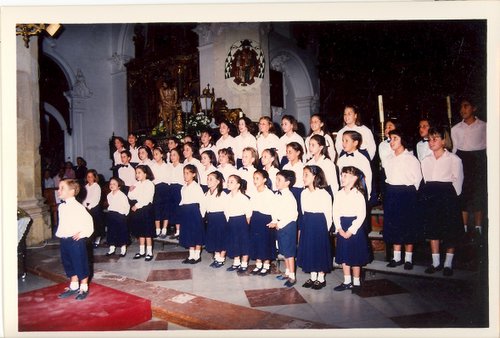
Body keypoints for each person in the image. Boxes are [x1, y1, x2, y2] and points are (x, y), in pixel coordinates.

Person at [420, 126, 464, 276]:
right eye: (430, 139)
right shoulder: (426, 160)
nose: (431, 142)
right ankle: (436, 262)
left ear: (444, 141)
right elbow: (426, 179)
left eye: (435, 139)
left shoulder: (454, 159)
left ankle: (448, 263)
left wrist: (451, 199)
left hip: (448, 196)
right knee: (433, 229)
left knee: (450, 230)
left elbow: (458, 182)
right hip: (432, 196)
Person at [383, 129, 422, 270]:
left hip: (407, 193)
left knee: (407, 225)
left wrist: (409, 194)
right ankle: (396, 257)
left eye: (395, 138)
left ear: (402, 140)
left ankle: (408, 259)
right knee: (394, 225)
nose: (391, 142)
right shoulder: (389, 159)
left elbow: (417, 180)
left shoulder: (411, 159)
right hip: (393, 192)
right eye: (390, 139)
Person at [451, 98, 487, 236]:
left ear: (474, 108)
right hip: (462, 160)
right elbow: (454, 150)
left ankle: (478, 228)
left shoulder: (484, 126)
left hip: (478, 160)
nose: (462, 110)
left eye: (466, 106)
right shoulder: (455, 129)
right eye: (461, 107)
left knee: (478, 193)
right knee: (463, 193)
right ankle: (463, 227)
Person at [332, 166, 370, 292]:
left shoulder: (358, 194)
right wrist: (339, 228)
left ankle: (357, 281)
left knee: (355, 256)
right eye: (341, 175)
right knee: (344, 255)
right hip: (342, 225)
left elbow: (361, 215)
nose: (342, 178)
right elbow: (335, 212)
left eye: (345, 176)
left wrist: (351, 230)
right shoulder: (338, 194)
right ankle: (347, 281)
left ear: (354, 178)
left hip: (355, 228)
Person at [55, 179, 94, 301]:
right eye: (59, 188)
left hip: (76, 241)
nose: (58, 190)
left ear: (72, 191)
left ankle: (83, 287)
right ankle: (73, 285)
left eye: (62, 188)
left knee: (80, 263)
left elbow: (89, 223)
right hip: (65, 240)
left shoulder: (78, 207)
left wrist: (82, 233)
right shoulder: (62, 207)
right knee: (69, 263)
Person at [297, 165, 333, 290]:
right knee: (309, 249)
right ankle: (312, 277)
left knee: (319, 250)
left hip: (319, 225)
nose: (303, 177)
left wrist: (324, 231)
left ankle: (321, 278)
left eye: (306, 174)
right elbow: (303, 211)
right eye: (303, 174)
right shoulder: (303, 193)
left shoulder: (324, 194)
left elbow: (328, 215)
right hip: (308, 223)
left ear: (315, 177)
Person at [267, 170, 298, 287]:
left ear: (287, 182)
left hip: (288, 226)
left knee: (289, 253)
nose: (276, 182)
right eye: (276, 179)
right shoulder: (277, 194)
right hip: (280, 225)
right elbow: (275, 210)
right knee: (284, 251)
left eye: (279, 180)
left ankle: (292, 276)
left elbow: (292, 215)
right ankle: (287, 272)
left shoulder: (289, 197)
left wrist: (279, 224)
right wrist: (274, 221)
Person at [248, 170, 277, 276]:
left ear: (264, 180)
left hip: (265, 220)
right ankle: (258, 264)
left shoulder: (269, 193)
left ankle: (266, 265)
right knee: (257, 242)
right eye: (254, 178)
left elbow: (274, 208)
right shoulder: (253, 192)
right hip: (255, 219)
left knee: (265, 243)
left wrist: (274, 221)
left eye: (257, 178)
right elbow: (250, 206)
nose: (255, 181)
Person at [224, 174, 252, 273]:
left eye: (231, 182)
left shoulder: (243, 198)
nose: (228, 183)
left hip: (241, 222)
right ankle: (236, 262)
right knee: (234, 242)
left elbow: (248, 213)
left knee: (243, 243)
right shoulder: (227, 197)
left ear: (238, 185)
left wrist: (246, 225)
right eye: (228, 181)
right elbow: (226, 211)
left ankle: (244, 264)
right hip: (231, 221)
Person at [128, 165, 156, 262]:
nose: (137, 174)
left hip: (146, 209)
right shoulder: (137, 184)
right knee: (141, 232)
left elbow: (147, 199)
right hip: (139, 210)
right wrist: (130, 191)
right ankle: (141, 251)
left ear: (145, 174)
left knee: (147, 232)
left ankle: (149, 252)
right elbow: (132, 197)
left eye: (139, 172)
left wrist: (137, 206)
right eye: (136, 173)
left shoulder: (149, 184)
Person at [179, 164, 206, 264]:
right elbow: (183, 200)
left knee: (196, 234)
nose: (185, 175)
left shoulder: (196, 187)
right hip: (186, 212)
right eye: (184, 173)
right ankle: (191, 255)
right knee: (189, 234)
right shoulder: (183, 187)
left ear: (193, 174)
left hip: (194, 212)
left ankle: (197, 256)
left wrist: (202, 216)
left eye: (187, 173)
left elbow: (202, 202)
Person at [203, 171, 228, 268]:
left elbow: (227, 209)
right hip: (211, 218)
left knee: (221, 239)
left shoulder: (222, 194)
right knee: (214, 238)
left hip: (220, 219)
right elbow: (204, 207)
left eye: (211, 179)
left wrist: (227, 222)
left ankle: (221, 259)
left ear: (218, 182)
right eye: (207, 179)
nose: (208, 181)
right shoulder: (207, 194)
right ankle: (217, 257)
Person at [336, 131, 372, 198]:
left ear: (355, 143)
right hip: (344, 193)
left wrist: (367, 196)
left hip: (358, 193)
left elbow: (368, 178)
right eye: (343, 141)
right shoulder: (341, 159)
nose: (343, 144)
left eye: (346, 141)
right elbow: (339, 177)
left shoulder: (362, 159)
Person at [105, 177, 130, 257]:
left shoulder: (122, 195)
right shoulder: (109, 195)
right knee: (111, 232)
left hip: (120, 216)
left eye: (114, 184)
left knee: (121, 233)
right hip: (111, 215)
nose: (112, 185)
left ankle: (123, 250)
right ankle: (112, 249)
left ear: (119, 186)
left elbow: (127, 206)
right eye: (110, 184)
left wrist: (123, 215)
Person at [150, 147, 170, 238]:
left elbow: (169, 178)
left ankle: (164, 229)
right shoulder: (152, 166)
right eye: (154, 154)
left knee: (166, 208)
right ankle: (157, 229)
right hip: (156, 188)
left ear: (162, 155)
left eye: (157, 154)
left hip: (165, 188)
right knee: (157, 208)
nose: (155, 156)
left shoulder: (167, 166)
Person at [82, 169, 104, 248]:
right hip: (86, 207)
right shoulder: (86, 186)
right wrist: (85, 205)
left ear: (94, 177)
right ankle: (89, 239)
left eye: (91, 177)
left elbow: (96, 199)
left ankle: (97, 239)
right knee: (88, 224)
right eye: (88, 177)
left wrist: (89, 207)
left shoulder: (96, 186)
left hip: (94, 207)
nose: (89, 178)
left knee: (96, 224)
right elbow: (83, 197)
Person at [167, 147, 185, 239]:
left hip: (179, 189)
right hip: (171, 189)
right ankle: (177, 231)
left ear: (179, 156)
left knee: (179, 210)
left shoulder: (182, 166)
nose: (172, 157)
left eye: (174, 155)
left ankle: (181, 232)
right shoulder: (169, 167)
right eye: (171, 155)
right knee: (173, 211)